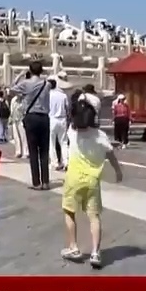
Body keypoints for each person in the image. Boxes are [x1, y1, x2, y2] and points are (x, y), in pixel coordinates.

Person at [60, 96, 123, 269]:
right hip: (92, 181)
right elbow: (111, 155)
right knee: (94, 216)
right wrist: (118, 171)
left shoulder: (72, 133)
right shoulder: (101, 136)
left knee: (69, 211)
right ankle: (95, 252)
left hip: (73, 179)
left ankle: (73, 247)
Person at [7, 61, 52, 190]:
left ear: (30, 71)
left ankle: (36, 182)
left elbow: (11, 88)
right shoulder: (47, 84)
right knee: (44, 151)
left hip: (31, 116)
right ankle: (46, 182)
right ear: (41, 71)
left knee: (33, 151)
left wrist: (20, 75)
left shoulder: (26, 83)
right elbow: (52, 80)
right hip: (44, 117)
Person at [47, 79, 70, 170]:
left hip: (52, 119)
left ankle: (55, 162)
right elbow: (67, 108)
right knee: (64, 142)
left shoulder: (48, 95)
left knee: (51, 143)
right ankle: (66, 161)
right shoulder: (63, 95)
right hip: (62, 119)